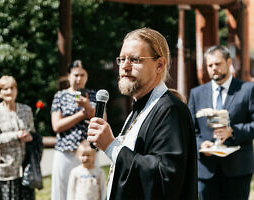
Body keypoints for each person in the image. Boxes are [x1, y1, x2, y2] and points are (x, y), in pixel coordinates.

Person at [87, 27, 198, 200]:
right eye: (122, 59)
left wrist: (111, 147)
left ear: (159, 65)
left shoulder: (171, 110)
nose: (125, 66)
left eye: (134, 59)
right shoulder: (139, 108)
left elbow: (165, 178)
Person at [188, 45, 254, 200]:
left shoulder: (247, 90)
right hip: (206, 171)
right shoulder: (196, 94)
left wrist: (233, 131)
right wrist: (201, 145)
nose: (213, 69)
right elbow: (190, 130)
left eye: (217, 64)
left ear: (228, 62)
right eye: (210, 65)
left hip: (238, 169)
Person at [51, 60, 97, 200]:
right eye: (76, 75)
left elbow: (102, 121)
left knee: (87, 193)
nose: (79, 79)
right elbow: (57, 126)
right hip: (65, 152)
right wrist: (82, 114)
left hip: (88, 153)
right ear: (69, 76)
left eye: (82, 75)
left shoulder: (94, 96)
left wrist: (88, 106)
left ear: (87, 76)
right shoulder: (60, 96)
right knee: (62, 193)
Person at [0, 75, 35, 200]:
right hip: (6, 170)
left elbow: (33, 134)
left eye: (12, 88)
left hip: (26, 169)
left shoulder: (26, 110)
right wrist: (15, 135)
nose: (9, 91)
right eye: (5, 89)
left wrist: (30, 137)